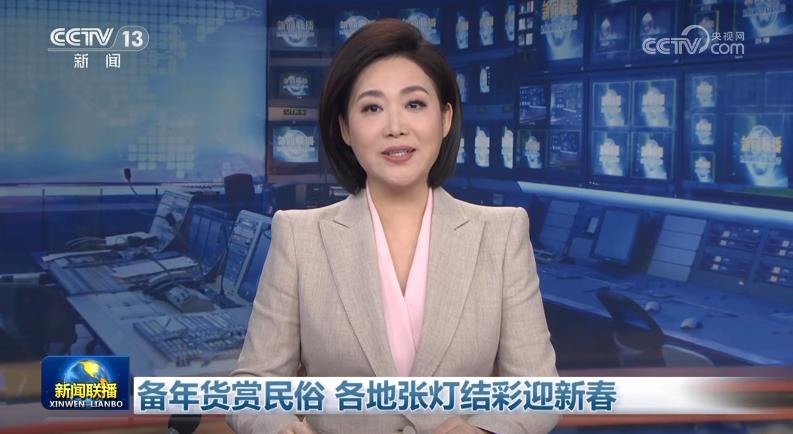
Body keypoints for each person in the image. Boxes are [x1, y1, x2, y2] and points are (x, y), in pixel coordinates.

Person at [228, 19, 558, 434]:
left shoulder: (502, 234)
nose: (395, 126)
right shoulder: (299, 237)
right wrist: (280, 428)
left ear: (445, 118)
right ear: (345, 128)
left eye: (414, 104)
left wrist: (482, 431)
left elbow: (539, 394)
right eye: (372, 108)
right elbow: (251, 391)